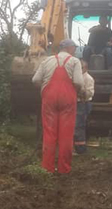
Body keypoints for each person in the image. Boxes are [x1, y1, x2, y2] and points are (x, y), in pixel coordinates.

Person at [32, 39, 84, 174]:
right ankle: (64, 169)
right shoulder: (74, 61)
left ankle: (47, 168)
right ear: (69, 48)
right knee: (66, 135)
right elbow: (78, 82)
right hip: (67, 99)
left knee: (49, 133)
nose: (75, 50)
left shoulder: (47, 61)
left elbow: (35, 80)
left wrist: (44, 89)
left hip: (49, 98)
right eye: (74, 48)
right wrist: (76, 91)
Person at [75, 61, 95, 154]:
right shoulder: (77, 77)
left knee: (80, 125)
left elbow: (90, 92)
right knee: (78, 124)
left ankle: (81, 148)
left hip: (83, 103)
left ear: (86, 68)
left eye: (81, 68)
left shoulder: (88, 78)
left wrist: (82, 93)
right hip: (77, 102)